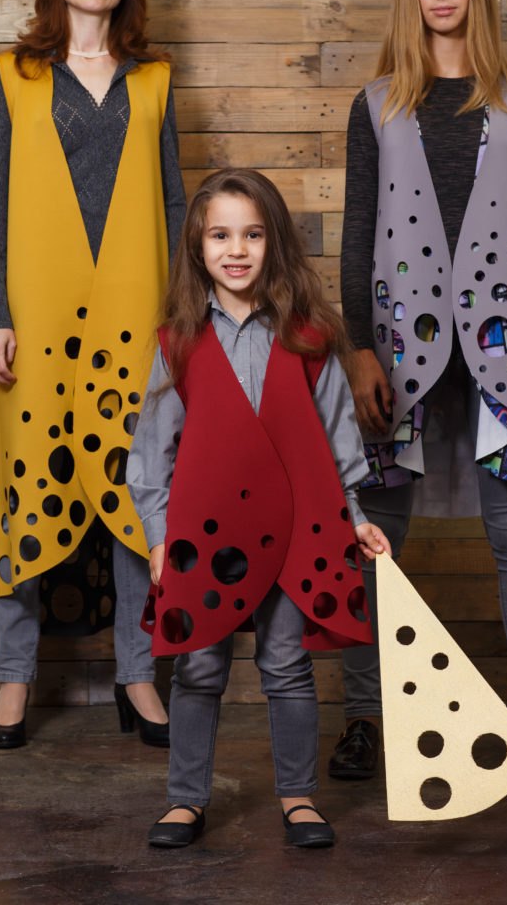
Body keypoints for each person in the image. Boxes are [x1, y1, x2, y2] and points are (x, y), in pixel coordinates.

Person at [328, 0, 507, 782]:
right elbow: (358, 234)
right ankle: (364, 717)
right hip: (401, 347)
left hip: (501, 347)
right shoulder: (377, 105)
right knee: (376, 531)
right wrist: (359, 349)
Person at [126, 169, 392, 849]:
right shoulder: (176, 341)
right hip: (201, 535)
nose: (236, 249)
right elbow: (151, 454)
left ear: (275, 243)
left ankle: (299, 799)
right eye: (220, 235)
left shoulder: (310, 337)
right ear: (198, 246)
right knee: (198, 667)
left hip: (295, 528)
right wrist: (157, 538)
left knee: (286, 666)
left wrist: (355, 515)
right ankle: (186, 800)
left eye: (252, 234)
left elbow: (336, 438)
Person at [0, 0, 186, 750]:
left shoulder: (153, 80)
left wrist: (184, 316)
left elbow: (175, 204)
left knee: (136, 491)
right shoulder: (14, 75)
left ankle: (138, 674)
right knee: (28, 484)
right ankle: (14, 676)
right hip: (38, 314)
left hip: (137, 313)